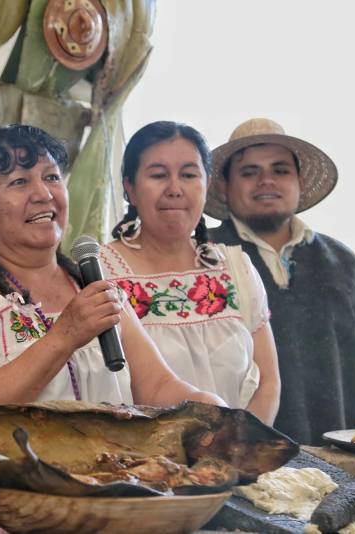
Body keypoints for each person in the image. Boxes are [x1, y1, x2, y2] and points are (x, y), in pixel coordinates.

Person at [0, 124, 225, 534]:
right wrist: (64, 336)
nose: (43, 193)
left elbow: (155, 386)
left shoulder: (96, 288)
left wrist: (210, 410)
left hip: (113, 508)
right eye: (18, 181)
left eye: (51, 177)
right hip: (16, 515)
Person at [206, 117, 355, 445]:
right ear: (224, 186)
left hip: (338, 455)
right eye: (249, 172)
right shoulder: (204, 257)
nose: (266, 181)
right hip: (238, 454)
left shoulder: (342, 261)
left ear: (299, 180)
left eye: (280, 170)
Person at [103, 121, 280, 425]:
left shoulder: (236, 268)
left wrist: (240, 452)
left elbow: (268, 382)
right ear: (130, 188)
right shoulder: (101, 272)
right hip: (139, 462)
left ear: (206, 184)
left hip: (237, 460)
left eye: (188, 175)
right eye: (158, 175)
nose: (174, 189)